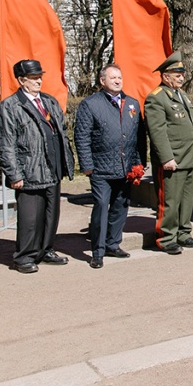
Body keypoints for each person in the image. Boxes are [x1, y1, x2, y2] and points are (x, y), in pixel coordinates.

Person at [0, 59, 74, 273]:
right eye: (33, 77)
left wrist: (65, 163)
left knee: (51, 214)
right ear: (21, 80)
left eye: (40, 76)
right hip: (29, 170)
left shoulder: (49, 101)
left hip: (52, 168)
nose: (39, 80)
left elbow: (61, 133)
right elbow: (5, 143)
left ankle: (46, 249)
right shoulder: (10, 106)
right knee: (30, 218)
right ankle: (24, 257)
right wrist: (13, 174)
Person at [73, 64, 145, 268]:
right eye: (113, 77)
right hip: (100, 168)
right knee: (102, 206)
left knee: (121, 206)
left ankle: (113, 244)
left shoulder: (132, 103)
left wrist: (139, 163)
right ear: (102, 80)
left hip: (126, 166)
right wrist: (86, 164)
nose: (117, 81)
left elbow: (138, 137)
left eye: (120, 77)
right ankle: (98, 251)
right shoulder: (90, 104)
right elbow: (82, 136)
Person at [145, 52, 193, 254]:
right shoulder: (157, 98)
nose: (181, 77)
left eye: (182, 73)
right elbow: (157, 131)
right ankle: (166, 237)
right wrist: (166, 157)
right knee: (170, 200)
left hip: (188, 156)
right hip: (172, 159)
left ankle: (184, 233)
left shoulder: (181, 95)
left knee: (187, 199)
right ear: (165, 76)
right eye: (176, 74)